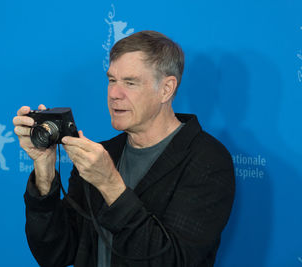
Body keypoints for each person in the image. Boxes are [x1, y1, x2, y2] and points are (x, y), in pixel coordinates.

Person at [13, 30, 235, 267]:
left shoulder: (208, 161)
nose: (114, 94)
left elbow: (170, 261)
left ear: (166, 89)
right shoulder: (102, 154)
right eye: (111, 80)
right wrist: (45, 173)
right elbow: (56, 253)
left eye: (130, 82)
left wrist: (110, 184)